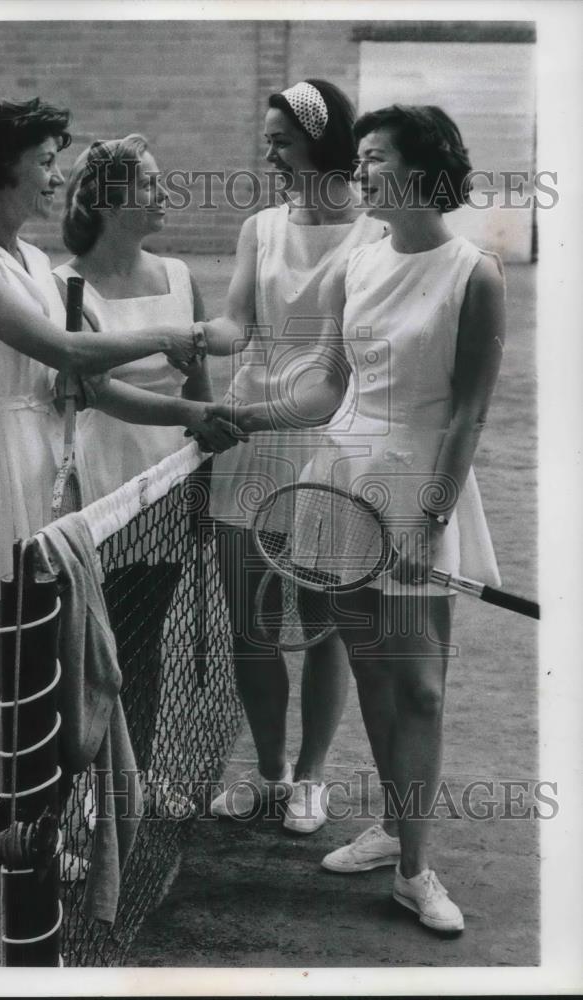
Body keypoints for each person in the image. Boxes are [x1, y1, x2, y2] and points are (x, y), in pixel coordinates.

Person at [0, 98, 205, 913]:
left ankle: (35, 828)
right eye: (45, 160)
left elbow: (88, 384)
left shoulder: (33, 262)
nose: (57, 175)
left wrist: (191, 414)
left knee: (57, 679)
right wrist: (176, 339)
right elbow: (63, 350)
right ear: (4, 166)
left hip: (52, 487)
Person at [217, 104, 505, 932]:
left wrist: (430, 524)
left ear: (418, 170)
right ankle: (391, 830)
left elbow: (468, 417)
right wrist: (247, 416)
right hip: (340, 486)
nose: (360, 168)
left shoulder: (475, 273)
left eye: (374, 158)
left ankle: (417, 870)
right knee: (377, 676)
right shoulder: (358, 266)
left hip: (421, 492)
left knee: (418, 688)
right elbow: (328, 390)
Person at [195, 80, 386, 834]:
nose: (267, 152)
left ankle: (311, 780)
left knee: (325, 619)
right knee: (252, 622)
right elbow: (235, 323)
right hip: (247, 439)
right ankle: (270, 773)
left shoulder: (374, 235)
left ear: (319, 140)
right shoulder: (260, 228)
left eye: (280, 139)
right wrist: (176, 332)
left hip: (327, 438)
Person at [51, 135, 240, 791]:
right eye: (150, 184)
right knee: (87, 656)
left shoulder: (181, 276)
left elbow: (197, 382)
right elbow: (97, 389)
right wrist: (194, 420)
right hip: (99, 483)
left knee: (142, 643)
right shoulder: (64, 286)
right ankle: (79, 807)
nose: (165, 195)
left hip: (168, 479)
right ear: (109, 201)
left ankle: (134, 784)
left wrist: (201, 471)